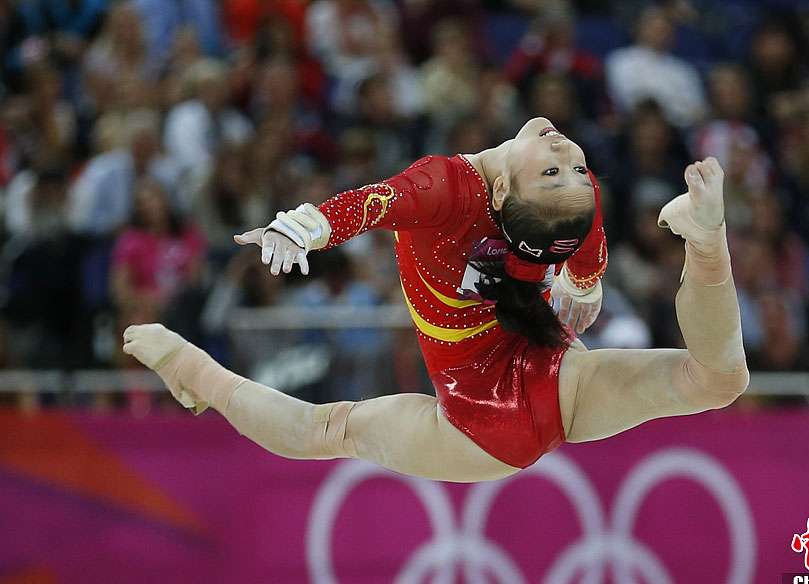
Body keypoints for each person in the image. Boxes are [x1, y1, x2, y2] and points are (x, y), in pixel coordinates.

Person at [122, 117, 749, 483]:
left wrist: (310, 228)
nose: (567, 156)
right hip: (554, 382)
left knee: (323, 429)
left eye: (558, 171)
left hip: (485, 422)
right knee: (718, 380)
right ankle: (706, 244)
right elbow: (372, 204)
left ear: (502, 192)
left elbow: (376, 203)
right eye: (567, 170)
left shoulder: (456, 189)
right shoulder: (569, 200)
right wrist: (581, 287)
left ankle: (192, 370)